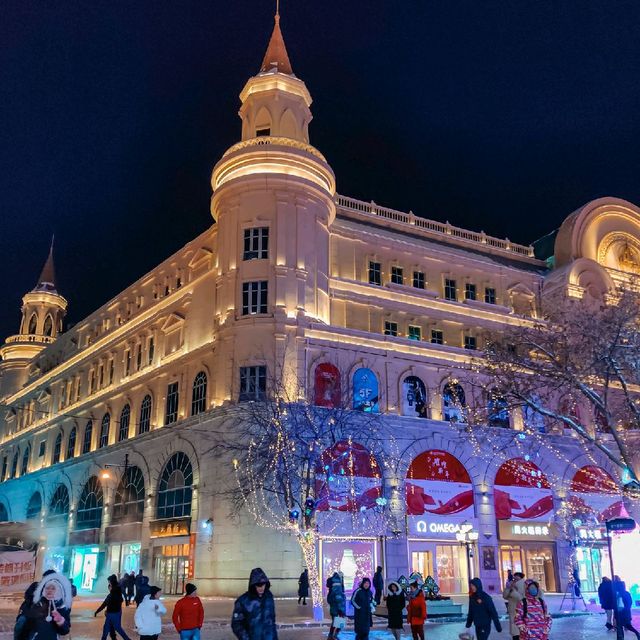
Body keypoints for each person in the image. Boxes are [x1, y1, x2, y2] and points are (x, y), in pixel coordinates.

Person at [231, 568, 278, 640]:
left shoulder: (269, 597)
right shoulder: (243, 601)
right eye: (258, 585)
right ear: (253, 585)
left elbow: (272, 620)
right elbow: (236, 624)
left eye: (263, 585)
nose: (261, 588)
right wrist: (245, 638)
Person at [95, 574, 132, 640]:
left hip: (114, 613)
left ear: (112, 582)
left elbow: (108, 603)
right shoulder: (115, 591)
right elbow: (106, 603)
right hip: (112, 612)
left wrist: (105, 610)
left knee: (116, 628)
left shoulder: (115, 592)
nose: (109, 583)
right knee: (106, 628)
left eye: (109, 582)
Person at [503, 571, 526, 640]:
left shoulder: (524, 586)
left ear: (521, 578)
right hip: (513, 612)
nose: (515, 580)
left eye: (517, 578)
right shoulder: (512, 585)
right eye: (514, 579)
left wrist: (513, 591)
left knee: (521, 633)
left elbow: (522, 599)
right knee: (515, 634)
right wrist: (508, 588)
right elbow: (505, 596)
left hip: (521, 613)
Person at [326, 571, 346, 640]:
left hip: (335, 605)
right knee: (340, 620)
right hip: (338, 605)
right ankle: (333, 635)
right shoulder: (337, 582)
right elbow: (339, 596)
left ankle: (332, 635)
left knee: (337, 621)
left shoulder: (334, 584)